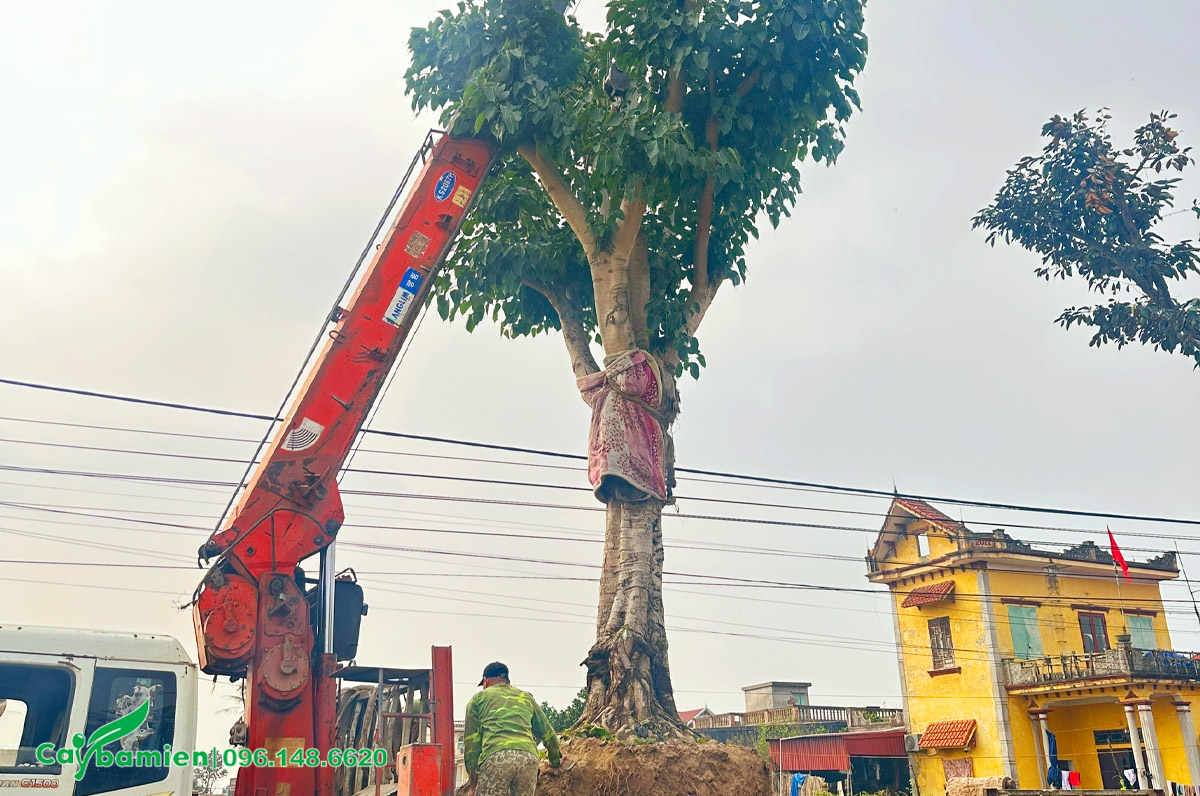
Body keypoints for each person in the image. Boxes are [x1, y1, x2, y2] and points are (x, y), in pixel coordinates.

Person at [463, 662, 561, 796]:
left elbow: (471, 744)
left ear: (486, 681)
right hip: (528, 758)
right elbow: (547, 733)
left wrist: (474, 782)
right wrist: (555, 762)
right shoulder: (525, 697)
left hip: (496, 757)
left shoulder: (477, 699)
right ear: (507, 680)